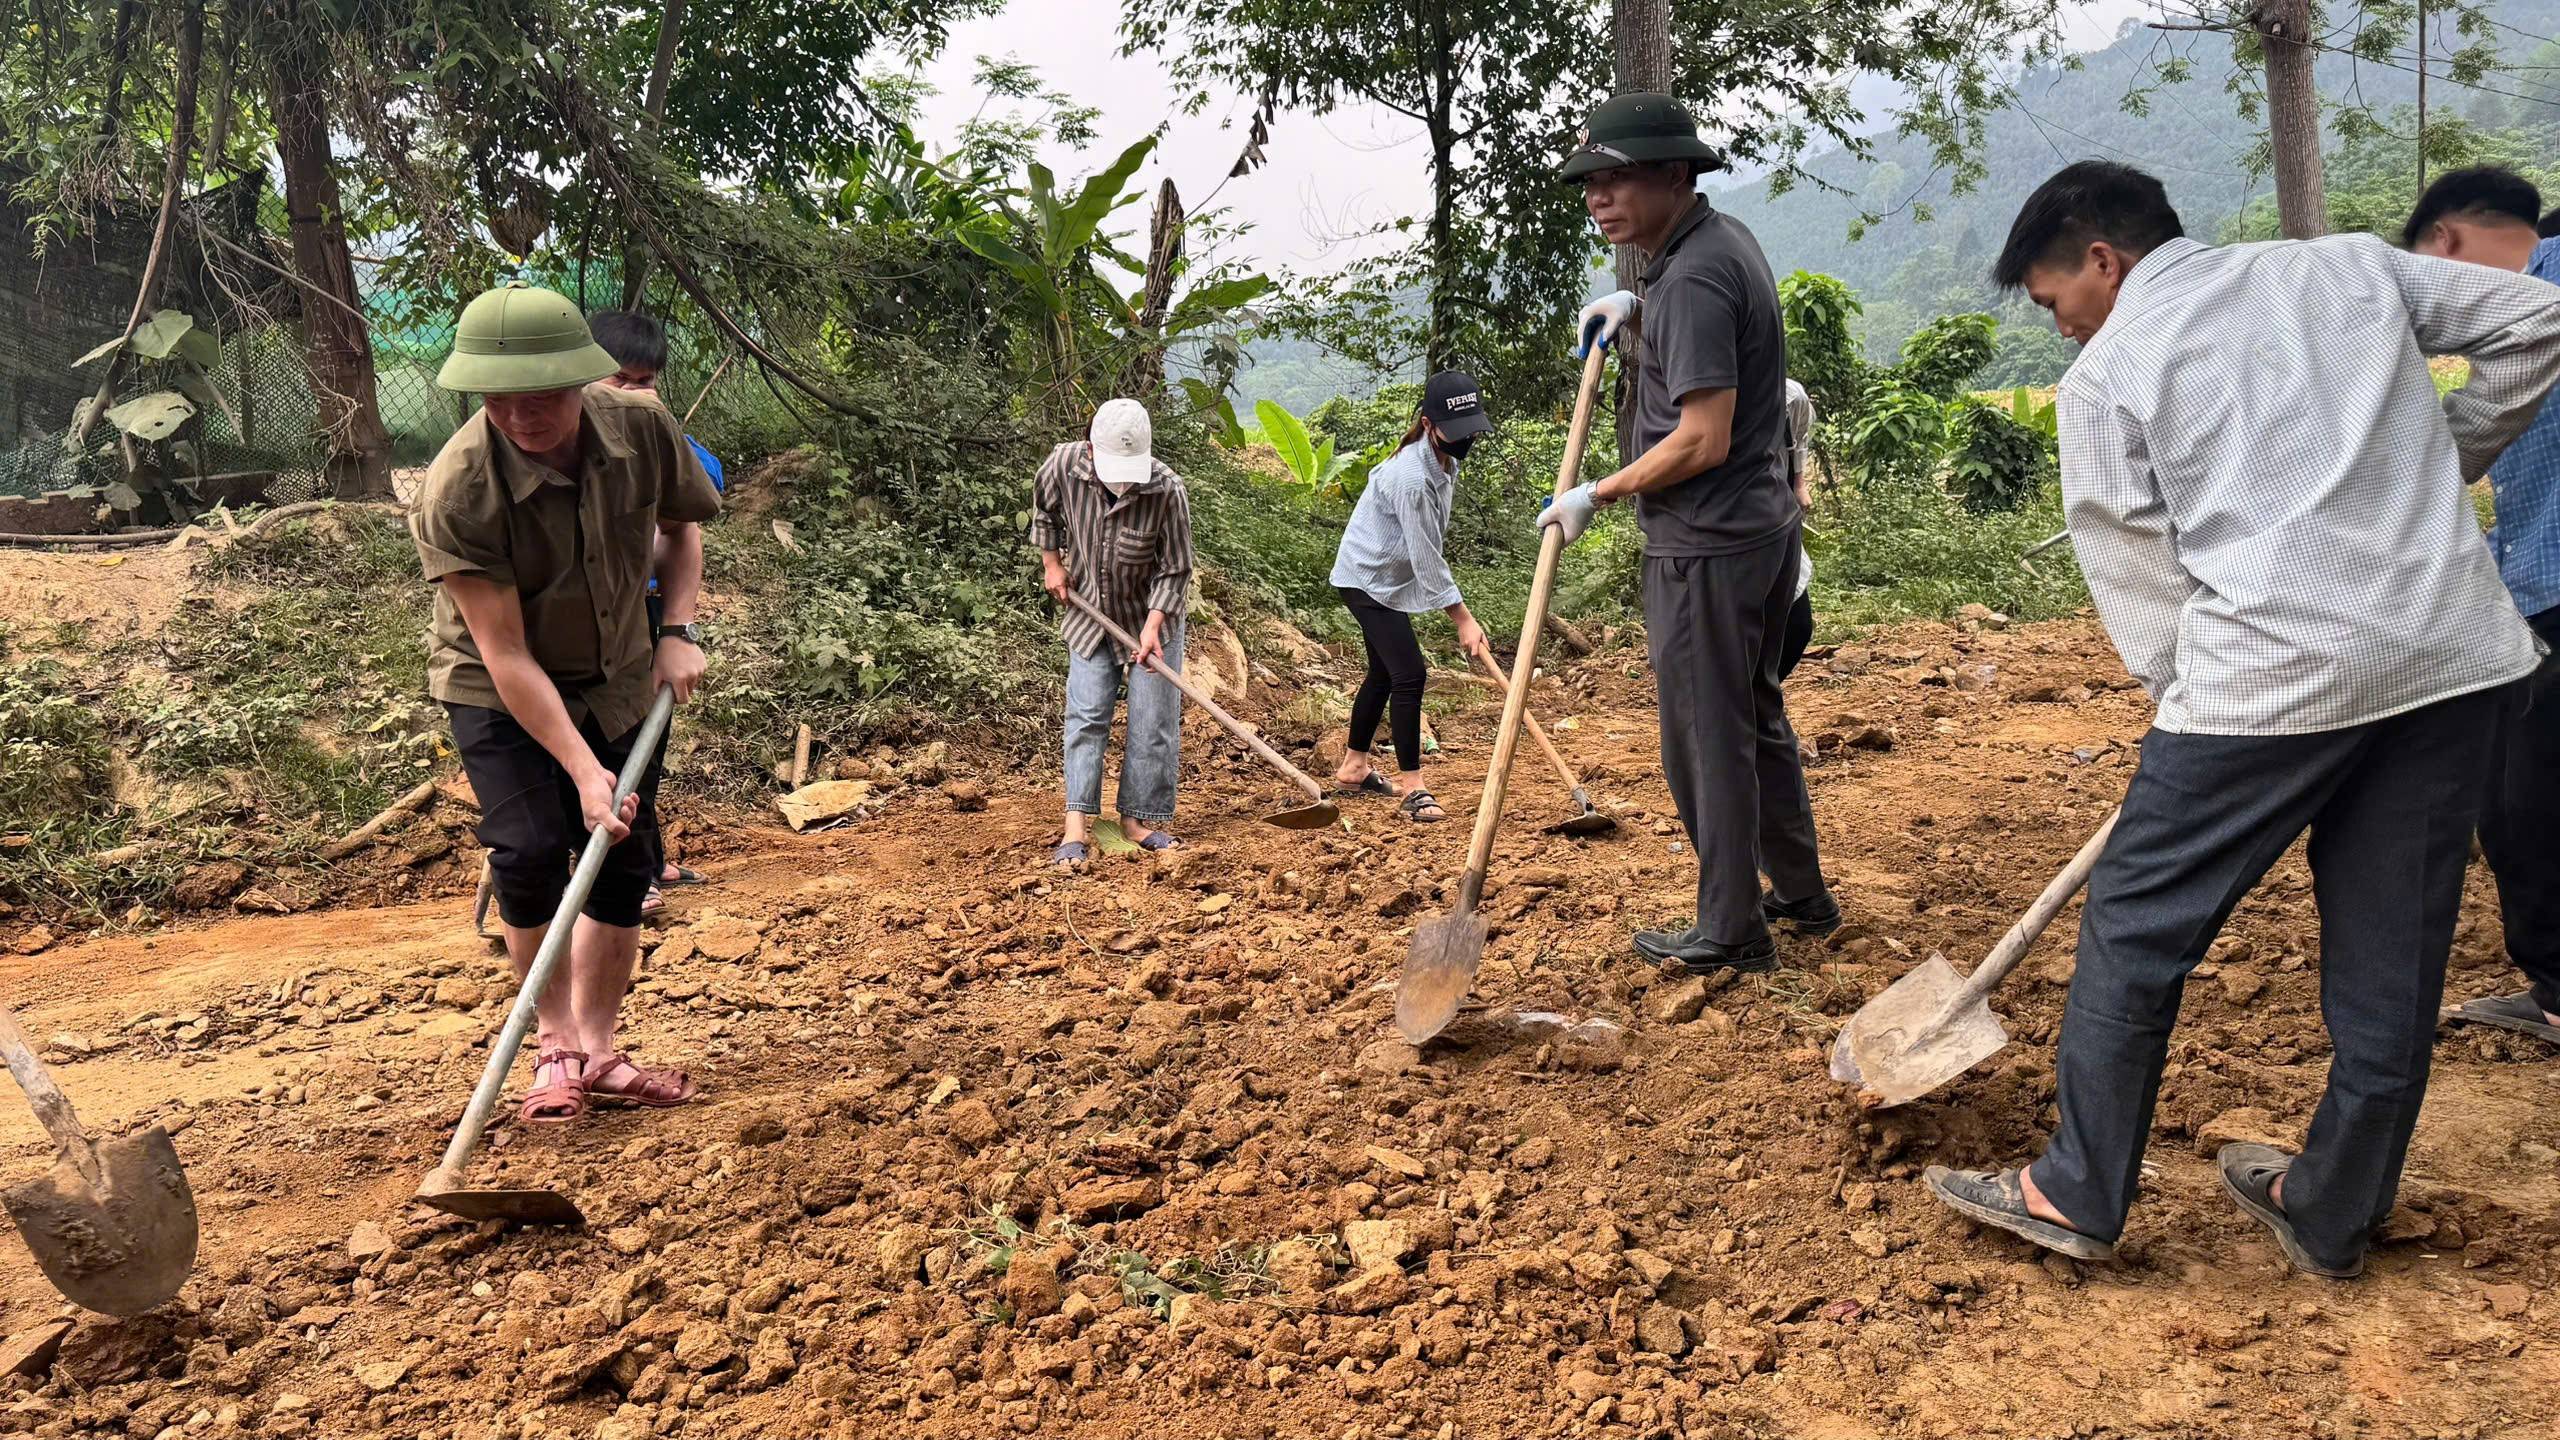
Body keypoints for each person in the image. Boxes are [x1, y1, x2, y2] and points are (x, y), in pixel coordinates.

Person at [1923, 162, 2560, 1280]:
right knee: (2396, 947)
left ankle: (2072, 1190)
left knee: (2136, 925)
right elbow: (2541, 316)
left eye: (2049, 299)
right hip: (2452, 657)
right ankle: (2329, 1209)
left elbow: (2139, 579)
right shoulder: (2347, 268)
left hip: (2267, 684)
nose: (2061, 326)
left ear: (2101, 261)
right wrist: (2444, 458)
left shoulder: (2111, 372)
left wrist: (2191, 707)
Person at [1542, 92, 1838, 974]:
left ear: (1675, 173)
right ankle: (1800, 893)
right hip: (1757, 529)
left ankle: (1731, 929)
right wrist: (1638, 313)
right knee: (1753, 717)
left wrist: (1600, 490)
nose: (1597, 197)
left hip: (1708, 543)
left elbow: (1702, 436)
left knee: (1707, 736)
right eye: (1589, 182)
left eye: (1616, 178)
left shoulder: (1697, 277)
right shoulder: (1711, 246)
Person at [413, 283, 722, 1125]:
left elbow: (680, 529)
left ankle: (600, 1049)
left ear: (582, 379)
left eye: (542, 395)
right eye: (499, 400)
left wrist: (678, 628)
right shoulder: (457, 489)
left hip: (620, 667)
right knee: (533, 851)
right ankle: (552, 1048)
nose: (521, 416)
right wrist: (586, 771)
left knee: (624, 862)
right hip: (498, 687)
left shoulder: (642, 426)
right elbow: (504, 652)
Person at [2403, 168, 2560, 1048]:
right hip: (2536, 571)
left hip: (2554, 585)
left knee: (2519, 795)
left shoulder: (2537, 300)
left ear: (2445, 248)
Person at [587, 310, 725, 913]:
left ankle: (640, 865)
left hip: (644, 617)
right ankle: (623, 864)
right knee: (599, 749)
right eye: (621, 380)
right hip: (582, 621)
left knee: (642, 746)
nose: (635, 395)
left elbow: (682, 527)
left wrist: (676, 628)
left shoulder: (679, 454)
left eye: (646, 382)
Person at [1030, 398, 1194, 867]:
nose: (1121, 480)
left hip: (1150, 619)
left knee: (1153, 720)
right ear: (1090, 447)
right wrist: (1052, 564)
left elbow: (1176, 568)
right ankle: (1076, 826)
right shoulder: (1063, 465)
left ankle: (1137, 820)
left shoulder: (1166, 490)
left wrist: (1154, 624)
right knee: (1086, 715)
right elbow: (1045, 513)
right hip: (1090, 615)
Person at [1328, 372, 1496, 823]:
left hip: (1386, 575)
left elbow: (1427, 547)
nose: (1466, 441)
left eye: (1470, 431)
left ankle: (1354, 767)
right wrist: (1463, 618)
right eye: (1455, 432)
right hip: (1365, 578)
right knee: (1410, 674)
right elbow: (1426, 557)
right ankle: (1413, 787)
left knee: (1384, 673)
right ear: (1427, 424)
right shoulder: (1410, 478)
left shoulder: (1445, 462)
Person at [1779, 378, 1817, 680]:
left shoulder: (1790, 396)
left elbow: (1799, 439)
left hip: (1775, 518)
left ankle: (1756, 705)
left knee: (1798, 625)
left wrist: (1799, 483)